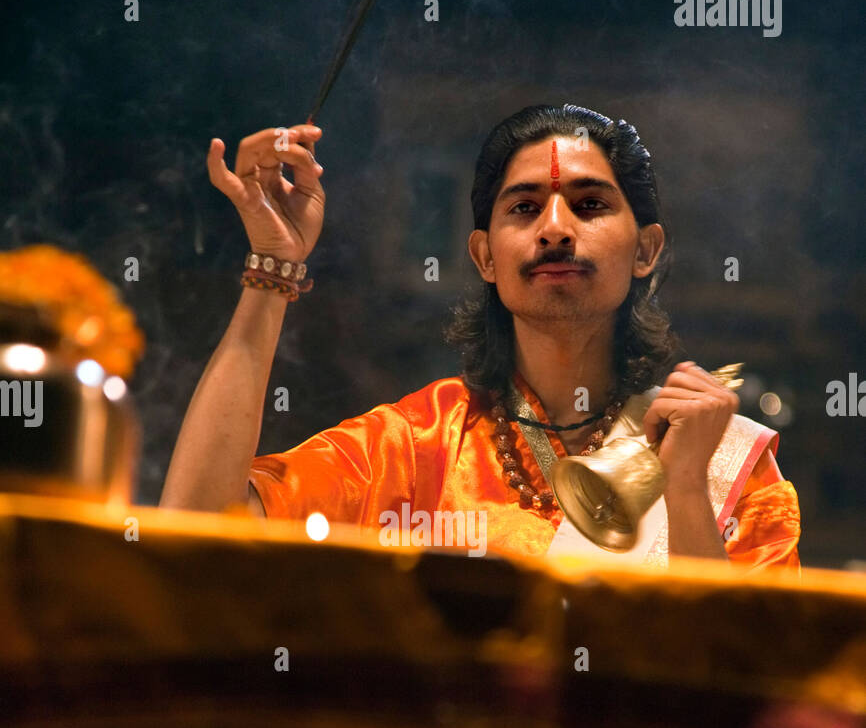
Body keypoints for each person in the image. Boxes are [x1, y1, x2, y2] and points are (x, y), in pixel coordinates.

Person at [160, 104, 800, 570]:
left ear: (646, 250)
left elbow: (747, 692)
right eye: (523, 208)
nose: (554, 228)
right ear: (485, 258)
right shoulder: (415, 446)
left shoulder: (721, 461)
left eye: (589, 204)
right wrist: (273, 268)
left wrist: (684, 490)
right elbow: (199, 527)